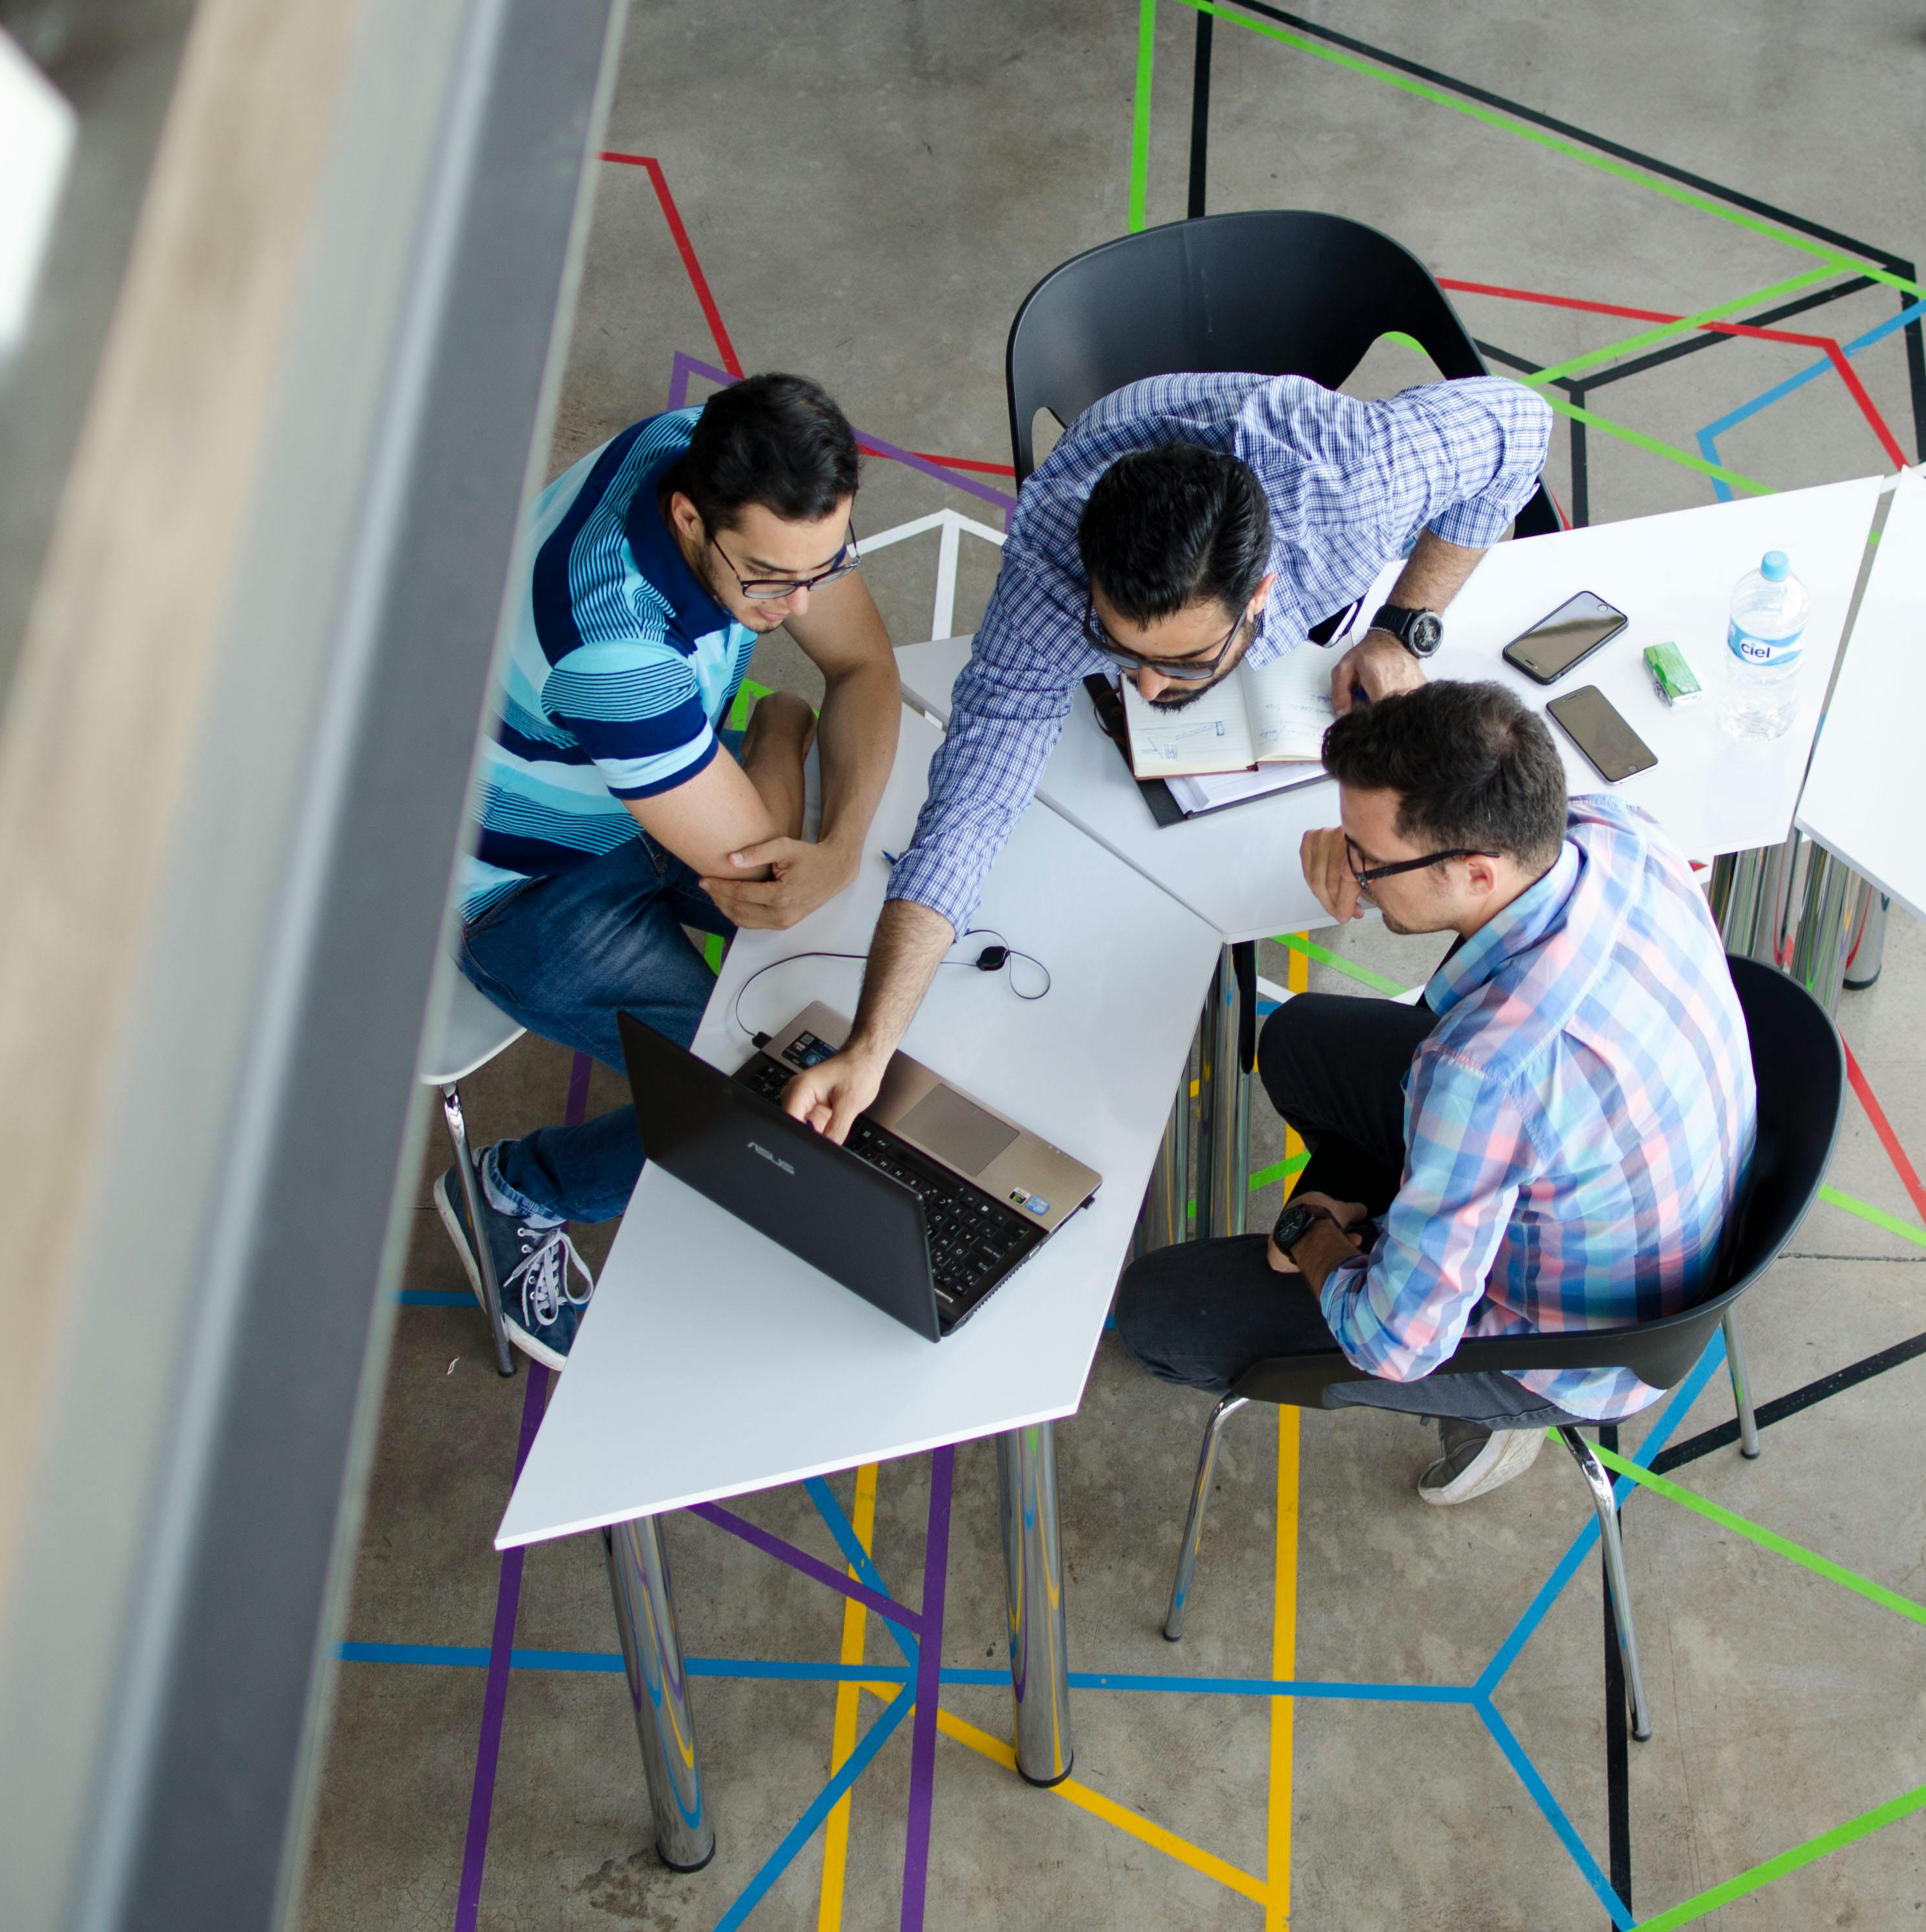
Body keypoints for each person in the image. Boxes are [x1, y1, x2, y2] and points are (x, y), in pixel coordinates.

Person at [778, 371, 1553, 1143]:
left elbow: (1522, 425)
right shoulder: (1050, 571)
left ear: (1261, 595)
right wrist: (871, 1044)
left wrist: (1404, 623)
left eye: (1183, 663)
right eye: (1118, 648)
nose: (1146, 688)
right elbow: (968, 810)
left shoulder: (1354, 485)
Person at [1114, 681, 1758, 1504]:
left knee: (1158, 1310)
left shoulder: (1483, 1071)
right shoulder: (1615, 832)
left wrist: (1312, 1230)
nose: (1354, 871)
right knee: (1299, 1040)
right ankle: (1400, 1227)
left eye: (1368, 860)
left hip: (1571, 1348)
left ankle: (1491, 1417)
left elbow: (1393, 1342)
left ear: (1476, 871)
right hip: (1654, 1203)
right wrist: (1356, 846)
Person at [437, 373, 900, 1367]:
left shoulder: (716, 454)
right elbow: (769, 877)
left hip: (642, 788)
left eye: (827, 566)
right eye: (771, 580)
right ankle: (518, 1189)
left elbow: (863, 666)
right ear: (689, 517)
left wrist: (842, 844)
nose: (802, 603)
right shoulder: (616, 651)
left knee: (844, 944)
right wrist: (780, 732)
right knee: (741, 1102)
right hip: (524, 886)